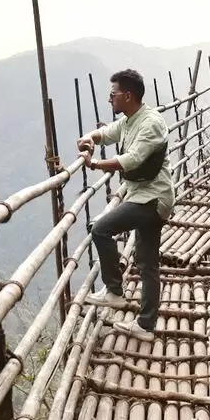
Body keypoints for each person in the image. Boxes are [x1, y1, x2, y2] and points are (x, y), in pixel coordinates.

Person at [76, 68, 174, 343]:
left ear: (127, 95)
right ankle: (145, 326)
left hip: (152, 199)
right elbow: (107, 132)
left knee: (101, 229)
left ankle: (114, 292)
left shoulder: (149, 123)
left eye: (113, 94)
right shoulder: (131, 120)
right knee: (147, 264)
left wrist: (93, 163)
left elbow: (131, 160)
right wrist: (90, 138)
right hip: (146, 196)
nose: (110, 99)